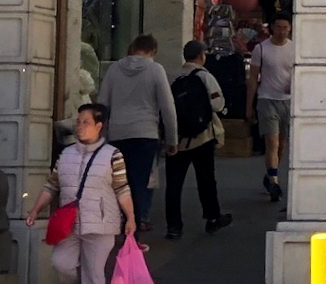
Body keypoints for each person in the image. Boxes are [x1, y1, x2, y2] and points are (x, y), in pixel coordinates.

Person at [25, 102, 133, 284]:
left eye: (86, 122)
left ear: (99, 126)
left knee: (94, 272)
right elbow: (51, 186)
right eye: (78, 122)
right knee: (61, 263)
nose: (80, 126)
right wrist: (35, 209)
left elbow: (122, 189)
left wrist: (131, 218)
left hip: (102, 223)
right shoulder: (65, 155)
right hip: (69, 222)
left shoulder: (113, 155)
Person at [96, 35, 177, 247]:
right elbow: (167, 107)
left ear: (133, 48)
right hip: (145, 133)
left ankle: (113, 227)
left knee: (118, 183)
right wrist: (172, 138)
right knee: (138, 184)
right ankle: (132, 233)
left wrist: (99, 134)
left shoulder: (114, 70)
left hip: (117, 134)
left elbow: (102, 102)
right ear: (153, 50)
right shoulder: (156, 70)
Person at [166, 41, 230, 239]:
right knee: (206, 179)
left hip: (176, 138)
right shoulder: (205, 76)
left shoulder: (172, 77)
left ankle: (174, 226)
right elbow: (218, 104)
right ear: (202, 56)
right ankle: (212, 218)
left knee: (174, 183)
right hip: (202, 137)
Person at [248, 16, 295, 202]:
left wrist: (294, 86)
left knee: (282, 144)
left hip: (288, 101)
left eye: (285, 27)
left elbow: (299, 73)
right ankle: (274, 181)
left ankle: (270, 174)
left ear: (290, 29)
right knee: (272, 142)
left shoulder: (294, 49)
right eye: (279, 27)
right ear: (272, 28)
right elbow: (252, 79)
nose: (282, 31)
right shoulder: (261, 49)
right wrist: (249, 106)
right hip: (267, 99)